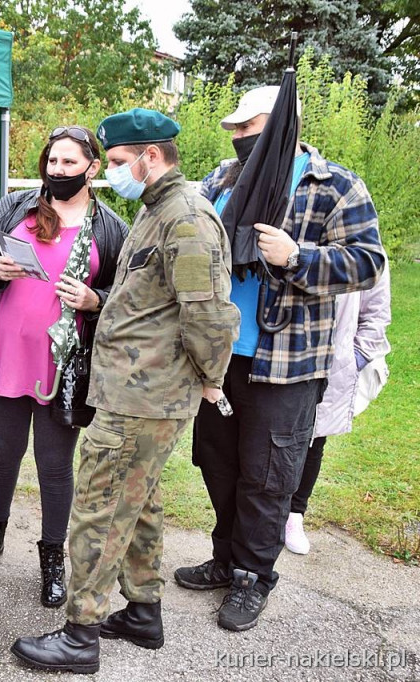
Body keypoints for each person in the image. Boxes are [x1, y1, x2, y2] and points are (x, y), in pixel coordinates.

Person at [10, 109, 240, 674]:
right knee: (140, 504)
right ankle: (142, 611)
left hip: (144, 396)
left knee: (100, 509)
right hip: (132, 390)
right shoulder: (157, 210)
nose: (110, 173)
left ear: (151, 157)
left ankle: (79, 633)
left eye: (115, 163)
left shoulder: (185, 219)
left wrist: (211, 379)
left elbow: (209, 316)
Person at [176, 85, 387, 632]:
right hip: (221, 360)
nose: (237, 140)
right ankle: (227, 558)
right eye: (235, 132)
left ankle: (253, 576)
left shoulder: (334, 185)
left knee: (268, 476)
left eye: (246, 129)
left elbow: (367, 263)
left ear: (276, 126)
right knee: (216, 462)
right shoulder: (222, 179)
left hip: (289, 362)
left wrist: (298, 257)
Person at [0, 126, 129, 608]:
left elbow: (132, 297)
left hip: (64, 368)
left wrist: (96, 299)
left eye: (69, 164)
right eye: (52, 162)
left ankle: (52, 558)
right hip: (4, 355)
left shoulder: (111, 228)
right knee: (2, 458)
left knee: (55, 468)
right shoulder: (16, 206)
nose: (57, 171)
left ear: (91, 169)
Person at [285, 269, 391, 554]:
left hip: (334, 361)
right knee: (274, 435)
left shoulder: (365, 241)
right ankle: (269, 514)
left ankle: (294, 515)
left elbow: (377, 312)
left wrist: (354, 357)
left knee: (315, 437)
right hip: (286, 351)